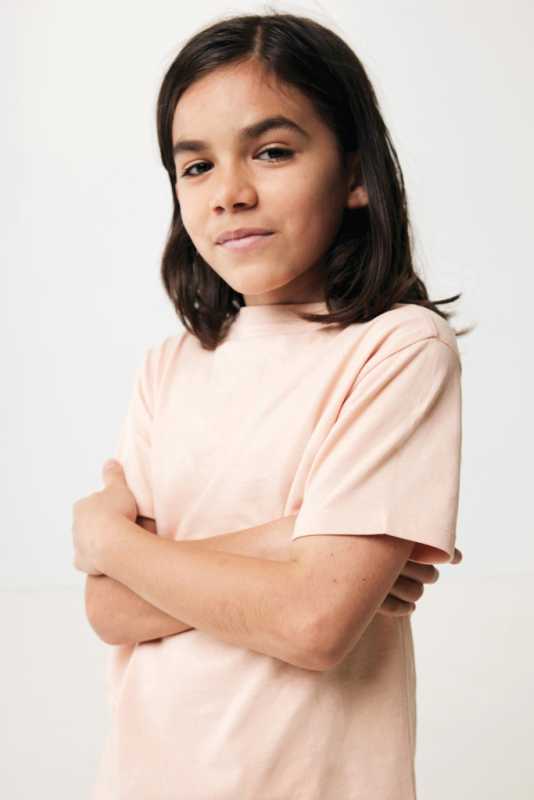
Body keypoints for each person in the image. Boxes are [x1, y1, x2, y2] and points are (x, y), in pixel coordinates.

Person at [77, 11, 470, 799]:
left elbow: (313, 624)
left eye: (273, 152)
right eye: (196, 166)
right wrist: (292, 543)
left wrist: (109, 540)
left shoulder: (397, 349)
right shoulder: (168, 368)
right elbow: (109, 611)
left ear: (355, 174)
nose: (230, 193)